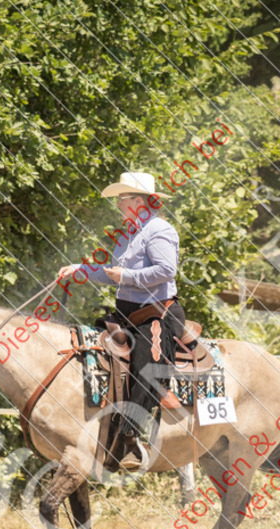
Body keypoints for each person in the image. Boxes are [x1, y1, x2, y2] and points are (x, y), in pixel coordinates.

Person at [57, 171, 186, 470]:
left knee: (147, 370)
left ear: (137, 201)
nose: (118, 203)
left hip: (156, 315)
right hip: (126, 316)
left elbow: (167, 271)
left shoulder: (159, 230)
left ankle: (129, 438)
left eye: (122, 198)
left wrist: (126, 276)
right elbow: (111, 272)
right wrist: (81, 269)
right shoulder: (128, 233)